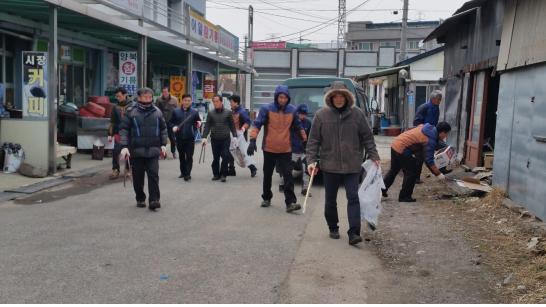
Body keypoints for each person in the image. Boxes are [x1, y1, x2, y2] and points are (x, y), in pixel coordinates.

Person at [306, 81, 380, 245]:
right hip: (329, 164)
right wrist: (311, 161)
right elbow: (313, 141)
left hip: (352, 164)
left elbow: (367, 137)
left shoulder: (357, 114)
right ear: (330, 98)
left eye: (342, 96)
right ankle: (333, 226)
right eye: (335, 96)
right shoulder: (321, 115)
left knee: (353, 197)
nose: (339, 99)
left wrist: (374, 155)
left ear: (347, 98)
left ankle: (354, 232)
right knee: (330, 199)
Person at [247, 85, 307, 213]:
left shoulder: (292, 110)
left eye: (285, 97)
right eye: (280, 97)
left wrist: (305, 140)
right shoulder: (266, 109)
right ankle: (267, 197)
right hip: (269, 148)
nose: (282, 100)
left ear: (288, 98)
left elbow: (298, 127)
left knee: (288, 175)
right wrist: (252, 140)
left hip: (286, 149)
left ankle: (290, 202)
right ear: (276, 97)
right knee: (267, 174)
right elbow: (257, 124)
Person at [119, 87, 168, 211]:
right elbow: (123, 129)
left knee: (153, 175)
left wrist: (163, 144)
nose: (148, 99)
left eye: (150, 97)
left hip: (153, 150)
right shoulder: (131, 112)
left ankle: (154, 200)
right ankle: (140, 198)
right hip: (136, 151)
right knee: (138, 177)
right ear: (139, 97)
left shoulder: (157, 112)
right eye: (145, 97)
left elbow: (163, 129)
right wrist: (124, 146)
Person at [382, 122, 452, 203]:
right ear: (442, 132)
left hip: (396, 143)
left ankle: (382, 189)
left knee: (393, 170)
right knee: (411, 172)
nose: (446, 136)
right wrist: (438, 174)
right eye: (446, 134)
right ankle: (404, 197)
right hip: (402, 148)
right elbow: (428, 160)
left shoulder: (428, 128)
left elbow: (433, 143)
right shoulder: (429, 139)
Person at [202, 95, 237, 183]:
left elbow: (232, 126)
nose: (215, 103)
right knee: (216, 157)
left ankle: (223, 174)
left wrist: (235, 136)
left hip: (225, 138)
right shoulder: (211, 113)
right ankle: (216, 174)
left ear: (221, 102)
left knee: (225, 156)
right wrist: (204, 137)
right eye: (214, 101)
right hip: (215, 138)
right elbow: (207, 126)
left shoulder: (228, 113)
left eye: (217, 101)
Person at [281, 103, 312, 196]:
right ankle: (283, 184)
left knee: (306, 170)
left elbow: (310, 137)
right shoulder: (291, 122)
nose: (302, 115)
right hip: (292, 150)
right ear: (297, 113)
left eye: (304, 114)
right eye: (300, 113)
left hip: (303, 151)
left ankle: (305, 189)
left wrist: (308, 149)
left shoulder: (308, 123)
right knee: (288, 169)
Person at [413, 90, 443, 184]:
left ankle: (440, 171)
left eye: (440, 100)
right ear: (433, 99)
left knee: (433, 152)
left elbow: (435, 121)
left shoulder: (437, 108)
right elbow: (416, 122)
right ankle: (415, 177)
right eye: (439, 99)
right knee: (419, 156)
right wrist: (422, 131)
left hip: (432, 134)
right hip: (422, 134)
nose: (440, 101)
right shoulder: (424, 107)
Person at [171, 94, 202, 181]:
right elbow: (170, 122)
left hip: (190, 138)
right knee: (181, 156)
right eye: (185, 100)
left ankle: (187, 174)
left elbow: (198, 121)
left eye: (189, 100)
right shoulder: (176, 111)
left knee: (189, 156)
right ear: (182, 101)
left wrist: (199, 123)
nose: (187, 102)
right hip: (179, 137)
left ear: (191, 101)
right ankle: (183, 172)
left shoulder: (194, 112)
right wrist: (173, 127)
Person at [227, 94, 258, 178]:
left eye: (231, 102)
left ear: (236, 103)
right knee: (231, 151)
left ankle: (253, 168)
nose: (230, 103)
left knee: (243, 152)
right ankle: (231, 169)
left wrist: (243, 128)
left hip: (239, 135)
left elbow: (248, 122)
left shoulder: (242, 111)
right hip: (232, 134)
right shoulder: (232, 111)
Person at [108, 87, 132, 179]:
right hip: (118, 133)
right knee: (115, 151)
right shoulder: (115, 107)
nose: (118, 98)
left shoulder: (132, 106)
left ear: (125, 95)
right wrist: (109, 134)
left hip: (130, 133)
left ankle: (127, 169)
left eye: (119, 96)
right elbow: (112, 121)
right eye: (116, 96)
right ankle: (115, 170)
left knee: (128, 152)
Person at [156, 86, 178, 159]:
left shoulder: (174, 99)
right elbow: (156, 110)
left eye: (166, 91)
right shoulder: (159, 99)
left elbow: (177, 111)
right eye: (163, 92)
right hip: (162, 122)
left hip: (171, 122)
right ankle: (163, 153)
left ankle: (173, 152)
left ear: (169, 92)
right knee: (162, 138)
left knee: (172, 138)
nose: (164, 93)